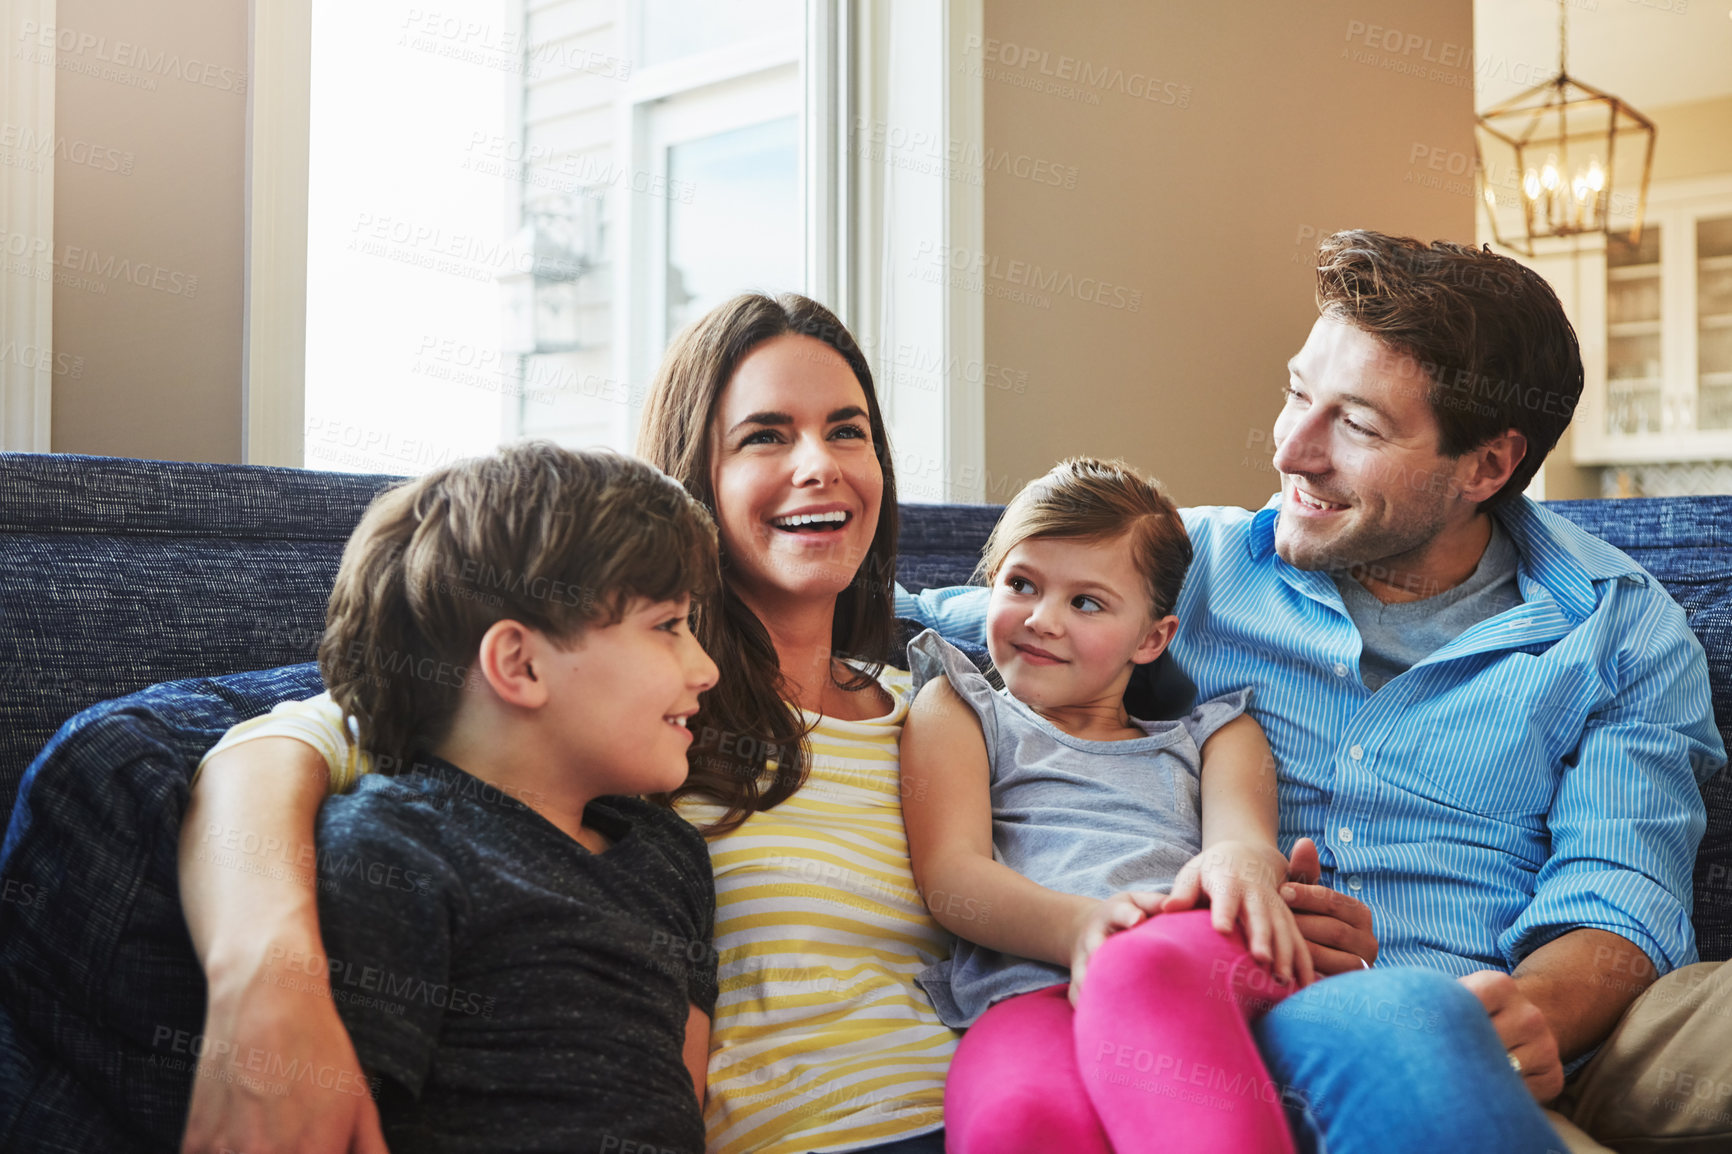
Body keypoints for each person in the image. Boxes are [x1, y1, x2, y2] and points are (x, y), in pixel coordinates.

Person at [899, 230, 1730, 1154]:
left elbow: (1617, 887)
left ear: (1487, 467)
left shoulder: (1618, 623)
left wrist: (1535, 1012)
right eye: (1299, 394)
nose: (1291, 451)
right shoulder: (1183, 571)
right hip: (1269, 1020)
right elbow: (887, 614)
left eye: (1359, 426)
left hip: (1536, 1021)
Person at [183, 293, 957, 1154]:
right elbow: (264, 747)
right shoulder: (616, 703)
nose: (821, 464)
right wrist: (262, 975)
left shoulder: (946, 706)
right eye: (765, 436)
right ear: (693, 476)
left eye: (848, 431)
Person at [203, 444, 723, 1152]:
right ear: (519, 663)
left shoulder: (670, 855)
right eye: (669, 626)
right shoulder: (395, 850)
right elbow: (322, 1122)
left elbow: (683, 1104)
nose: (706, 668)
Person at [901, 456, 1318, 1154]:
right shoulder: (960, 706)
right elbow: (953, 874)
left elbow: (1241, 844)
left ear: (1152, 638)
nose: (1041, 620)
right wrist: (1083, 927)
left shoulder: (1217, 734)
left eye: (1085, 602)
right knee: (1016, 1118)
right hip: (1027, 985)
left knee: (1147, 976)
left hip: (1190, 958)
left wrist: (1249, 870)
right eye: (1021, 584)